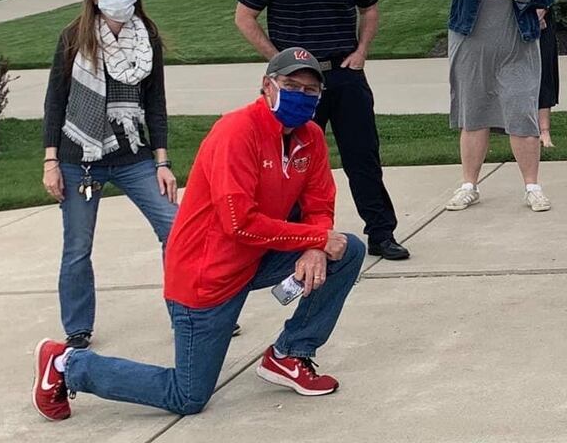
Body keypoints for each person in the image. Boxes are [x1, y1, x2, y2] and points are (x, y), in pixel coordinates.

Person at [33, 49, 367, 420]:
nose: (300, 97)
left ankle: (290, 354)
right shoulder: (237, 131)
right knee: (188, 395)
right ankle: (67, 363)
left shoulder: (311, 138)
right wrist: (313, 239)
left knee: (346, 249)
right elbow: (238, 223)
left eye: (310, 91)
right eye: (291, 86)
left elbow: (319, 203)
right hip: (206, 277)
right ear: (266, 86)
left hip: (256, 258)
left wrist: (316, 244)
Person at [234, 0, 410, 260]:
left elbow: (371, 9)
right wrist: (278, 61)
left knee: (363, 156)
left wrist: (362, 51)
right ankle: (289, 236)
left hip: (344, 74)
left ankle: (381, 232)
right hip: (296, 84)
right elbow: (244, 17)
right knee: (289, 162)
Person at [41, 0, 177, 350]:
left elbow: (156, 103)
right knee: (78, 246)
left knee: (176, 229)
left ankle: (188, 310)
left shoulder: (146, 38)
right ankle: (78, 328)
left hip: (134, 155)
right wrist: (51, 161)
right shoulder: (75, 36)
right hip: (78, 157)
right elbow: (55, 102)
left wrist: (162, 162)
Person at [438, 0, 557, 213]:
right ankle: (468, 186)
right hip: (471, 45)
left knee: (521, 115)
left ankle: (532, 187)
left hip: (517, 47)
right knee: (473, 115)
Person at [530, 0, 561, 148]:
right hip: (513, 24)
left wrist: (540, 13)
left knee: (543, 77)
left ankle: (544, 131)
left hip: (541, 21)